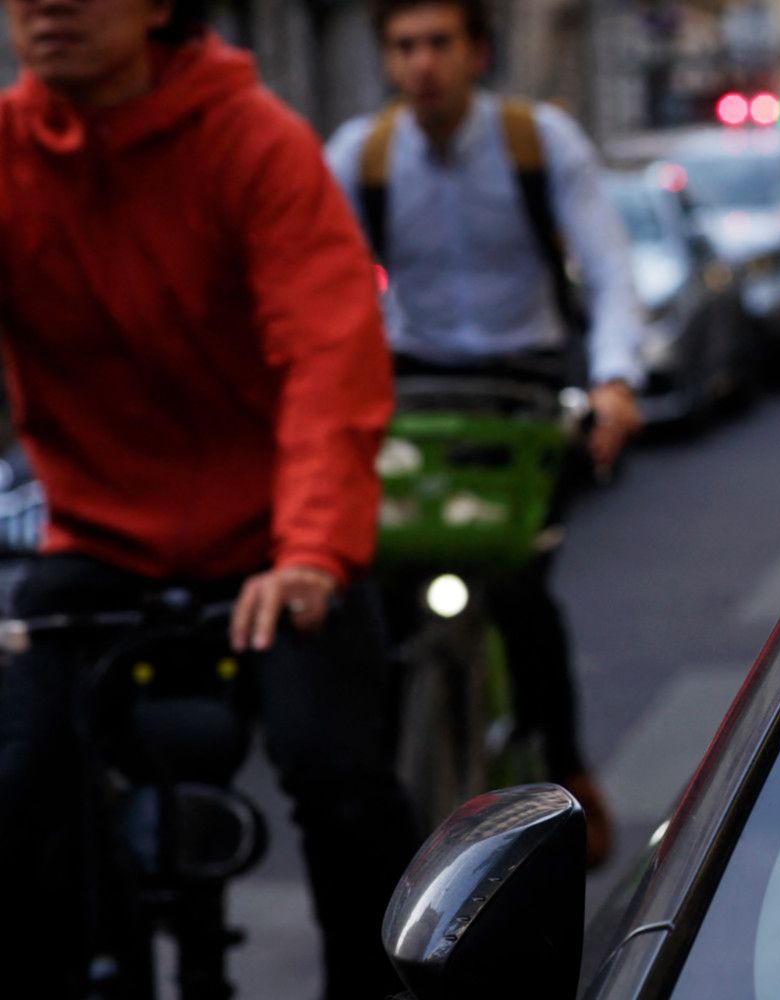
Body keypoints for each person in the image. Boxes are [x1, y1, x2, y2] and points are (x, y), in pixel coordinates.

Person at [0, 0, 418, 997]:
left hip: (274, 536)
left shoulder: (255, 141)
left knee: (340, 778)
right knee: (15, 785)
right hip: (97, 534)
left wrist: (311, 549)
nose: (47, 4)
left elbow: (328, 353)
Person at [325, 0, 646, 868]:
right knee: (388, 601)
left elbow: (610, 268)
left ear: (477, 52)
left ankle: (569, 771)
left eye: (438, 43)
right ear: (386, 59)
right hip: (414, 393)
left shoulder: (540, 141)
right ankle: (398, 807)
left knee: (521, 588)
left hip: (525, 391)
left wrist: (614, 381)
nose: (421, 62)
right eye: (403, 46)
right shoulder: (361, 155)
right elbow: (324, 293)